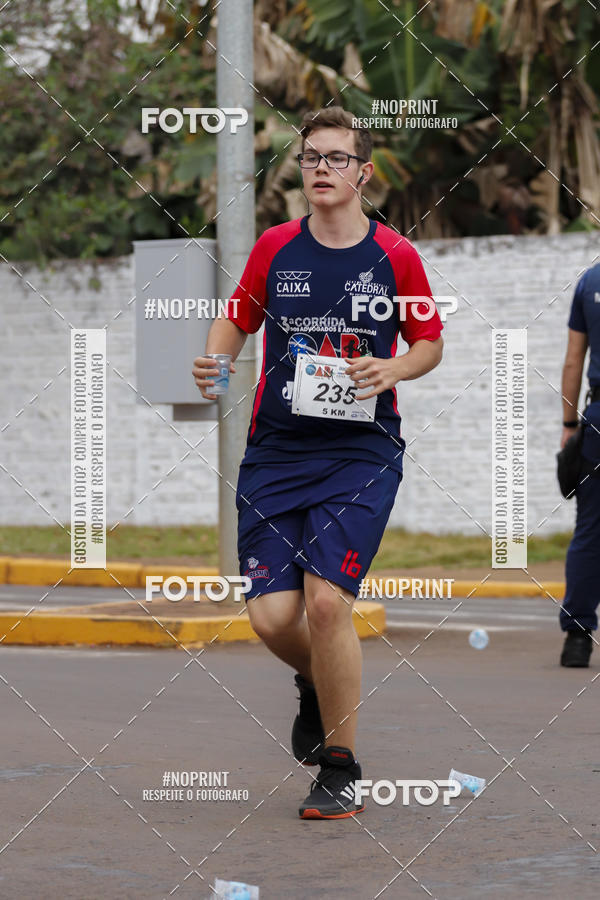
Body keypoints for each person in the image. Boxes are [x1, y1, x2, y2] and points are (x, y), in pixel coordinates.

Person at [193, 107, 443, 818]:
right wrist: (216, 360)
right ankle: (315, 683)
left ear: (364, 173)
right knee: (273, 618)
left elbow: (429, 343)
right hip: (277, 452)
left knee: (328, 602)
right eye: (310, 159)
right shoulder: (275, 248)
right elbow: (236, 318)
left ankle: (340, 765)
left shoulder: (395, 255)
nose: (321, 169)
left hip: (360, 453)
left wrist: (392, 369)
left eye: (336, 158)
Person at [559, 263, 600, 667]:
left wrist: (569, 425)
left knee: (590, 528)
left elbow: (574, 361)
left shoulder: (590, 281)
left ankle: (576, 638)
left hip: (599, 418)